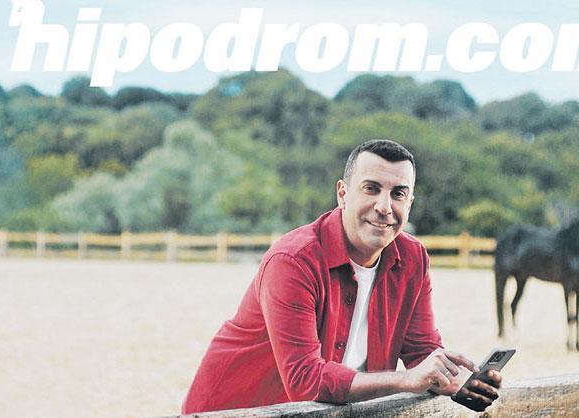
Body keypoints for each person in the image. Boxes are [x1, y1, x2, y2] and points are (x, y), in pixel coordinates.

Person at [182, 139, 502, 413]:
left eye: (398, 194)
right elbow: (305, 381)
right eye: (371, 189)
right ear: (342, 193)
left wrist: (457, 380)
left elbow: (421, 351)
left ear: (410, 202)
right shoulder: (292, 261)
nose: (384, 206)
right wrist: (407, 379)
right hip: (233, 410)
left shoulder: (413, 259)